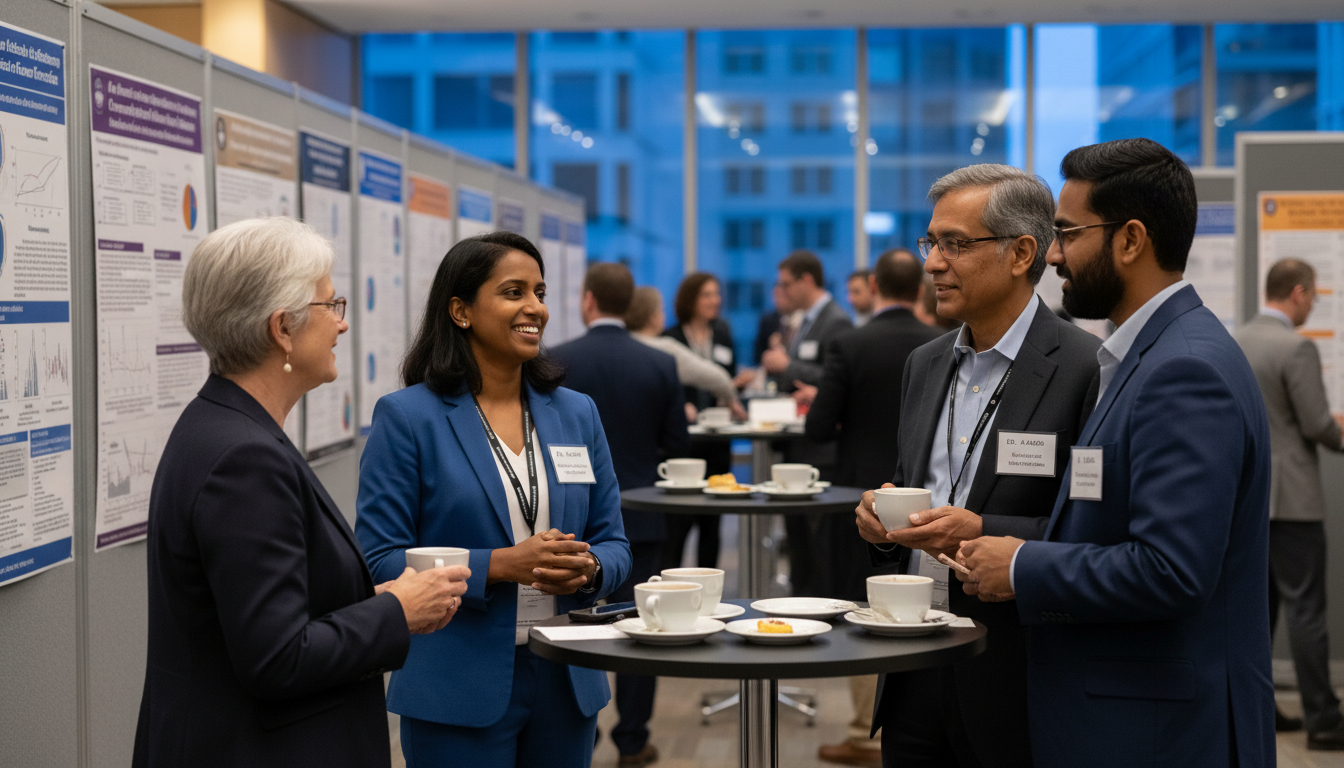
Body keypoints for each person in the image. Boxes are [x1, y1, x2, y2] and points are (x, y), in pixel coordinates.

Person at [959, 138, 1274, 768]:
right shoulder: (1150, 355)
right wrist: (985, 530)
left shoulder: (1183, 370)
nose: (1053, 256)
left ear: (1130, 240)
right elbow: (1110, 518)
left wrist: (1022, 567)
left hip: (1160, 731)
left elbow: (1171, 571)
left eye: (1068, 234)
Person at [133, 217, 468, 768]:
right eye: (329, 306)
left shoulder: (218, 425)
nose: (341, 324)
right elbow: (278, 658)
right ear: (282, 330)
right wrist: (396, 610)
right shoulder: (244, 459)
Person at [850, 166, 1102, 768]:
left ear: (1021, 254)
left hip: (1015, 672)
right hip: (911, 664)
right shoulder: (925, 363)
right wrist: (881, 527)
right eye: (930, 243)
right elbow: (916, 481)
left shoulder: (1086, 368)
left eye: (956, 244)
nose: (933, 263)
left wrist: (985, 531)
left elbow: (1096, 530)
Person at [356, 232, 632, 768]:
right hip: (456, 682)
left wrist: (591, 567)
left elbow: (615, 540)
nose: (536, 308)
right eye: (513, 292)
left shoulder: (577, 413)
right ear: (461, 311)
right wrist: (502, 566)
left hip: (565, 672)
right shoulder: (409, 418)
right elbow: (381, 561)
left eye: (541, 291)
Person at [551, 264, 690, 767]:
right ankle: (633, 740)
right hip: (642, 516)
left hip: (566, 519)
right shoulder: (658, 364)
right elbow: (677, 444)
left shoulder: (553, 360)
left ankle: (578, 737)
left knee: (573, 627)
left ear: (588, 301)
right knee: (644, 631)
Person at [806, 249, 941, 768]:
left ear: (877, 286)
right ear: (919, 288)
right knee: (927, 605)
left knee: (861, 609)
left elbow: (818, 426)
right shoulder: (943, 346)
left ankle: (866, 731)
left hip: (862, 503)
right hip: (929, 502)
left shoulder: (850, 345)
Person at [1235, 258, 1344, 749]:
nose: (1311, 306)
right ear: (1297, 293)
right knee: (1306, 611)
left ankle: (1259, 709)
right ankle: (1324, 721)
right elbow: (1317, 425)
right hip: (1295, 501)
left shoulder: (1237, 341)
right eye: (1314, 297)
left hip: (1253, 499)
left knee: (1259, 613)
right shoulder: (1295, 347)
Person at [761, 250, 854, 597]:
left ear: (807, 280)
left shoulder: (835, 321)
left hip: (821, 451)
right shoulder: (804, 322)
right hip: (799, 447)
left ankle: (824, 610)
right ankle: (800, 605)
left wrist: (787, 366)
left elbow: (833, 381)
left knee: (820, 546)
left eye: (786, 284)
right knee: (800, 543)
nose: (782, 291)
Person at [662, 273, 737, 570]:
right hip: (685, 443)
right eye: (707, 294)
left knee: (712, 526)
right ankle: (673, 586)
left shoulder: (724, 334)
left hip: (717, 442)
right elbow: (666, 386)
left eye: (716, 294)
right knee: (678, 526)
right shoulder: (671, 338)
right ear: (690, 299)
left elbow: (726, 380)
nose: (714, 300)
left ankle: (710, 593)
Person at [627, 287, 747, 421]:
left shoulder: (619, 346)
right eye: (661, 310)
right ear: (652, 316)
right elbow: (718, 378)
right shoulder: (663, 348)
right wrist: (731, 400)